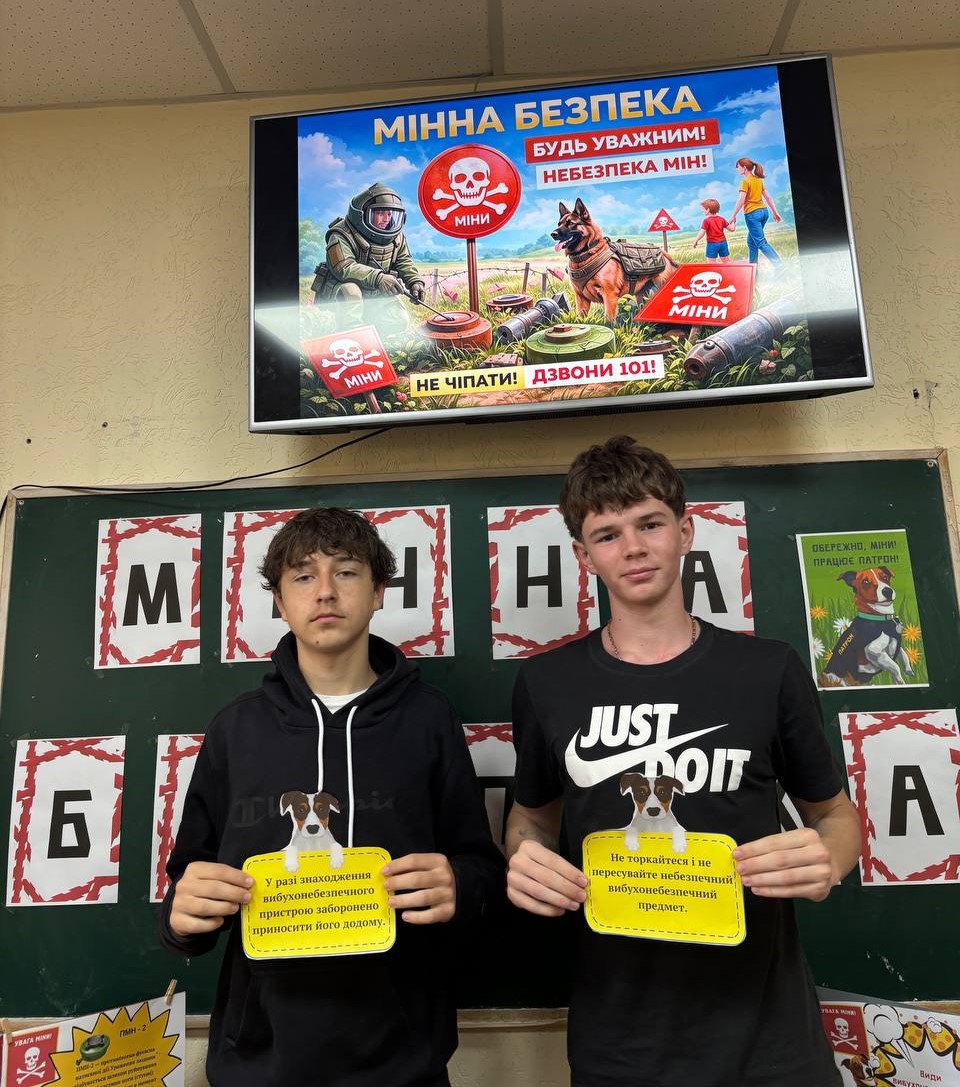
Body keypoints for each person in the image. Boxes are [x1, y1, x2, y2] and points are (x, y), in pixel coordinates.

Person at [506, 435, 860, 1086]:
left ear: (685, 531)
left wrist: (829, 859)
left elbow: (836, 816)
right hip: (620, 1046)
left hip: (770, 1042)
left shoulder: (768, 669)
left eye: (650, 523)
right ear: (583, 556)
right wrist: (524, 858)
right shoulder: (546, 684)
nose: (633, 548)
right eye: (607, 534)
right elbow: (530, 819)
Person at [159, 507, 504, 1087]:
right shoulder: (235, 730)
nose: (324, 591)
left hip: (402, 1063)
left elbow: (480, 869)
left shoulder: (428, 720)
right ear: (278, 601)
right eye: (302, 576)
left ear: (379, 591)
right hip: (259, 1062)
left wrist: (460, 886)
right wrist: (184, 915)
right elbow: (186, 888)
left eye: (345, 572)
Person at [311, 182, 426, 334]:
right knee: (350, 291)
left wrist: (415, 282)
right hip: (341, 293)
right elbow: (344, 268)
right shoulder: (341, 234)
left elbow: (403, 260)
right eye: (380, 213)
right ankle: (352, 336)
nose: (386, 219)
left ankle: (376, 336)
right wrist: (379, 278)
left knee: (399, 320)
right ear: (362, 214)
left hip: (374, 291)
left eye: (390, 214)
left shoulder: (396, 237)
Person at [728, 157, 782, 265]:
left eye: (738, 167)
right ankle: (753, 270)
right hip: (764, 212)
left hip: (752, 214)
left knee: (761, 243)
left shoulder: (745, 181)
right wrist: (775, 212)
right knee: (751, 242)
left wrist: (733, 215)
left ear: (744, 167)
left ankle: (780, 265)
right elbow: (768, 197)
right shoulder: (758, 180)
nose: (737, 169)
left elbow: (741, 200)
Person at [692, 198, 734, 262]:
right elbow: (732, 229)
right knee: (726, 261)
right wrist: (733, 222)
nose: (702, 211)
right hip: (723, 243)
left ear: (708, 210)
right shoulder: (721, 219)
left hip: (712, 244)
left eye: (703, 209)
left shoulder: (706, 220)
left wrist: (696, 240)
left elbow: (702, 232)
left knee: (711, 263)